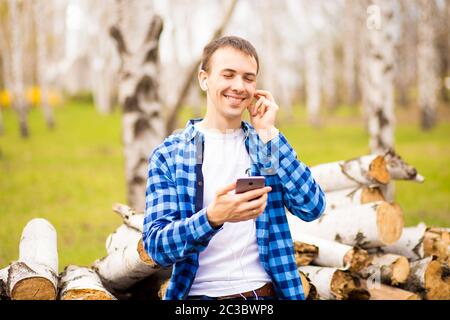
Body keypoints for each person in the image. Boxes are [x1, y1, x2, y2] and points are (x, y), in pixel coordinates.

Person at [143, 36, 326, 300]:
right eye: (228, 75)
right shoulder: (170, 154)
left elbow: (312, 207)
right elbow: (157, 246)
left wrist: (268, 134)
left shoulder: (266, 143)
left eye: (248, 78)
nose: (239, 86)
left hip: (265, 295)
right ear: (204, 79)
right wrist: (212, 218)